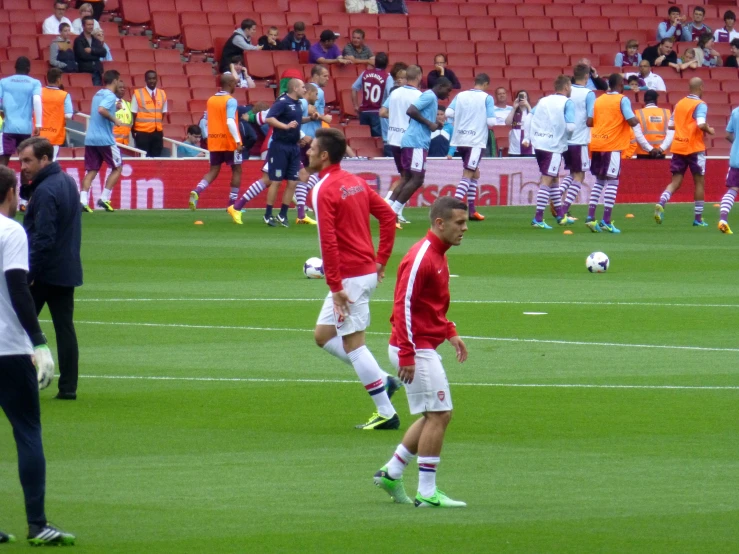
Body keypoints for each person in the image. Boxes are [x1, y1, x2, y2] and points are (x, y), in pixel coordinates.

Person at [373, 195, 468, 508]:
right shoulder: (422, 257)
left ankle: (392, 470)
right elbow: (402, 306)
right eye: (459, 222)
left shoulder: (439, 252)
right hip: (414, 348)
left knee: (433, 414)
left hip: (420, 345)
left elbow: (431, 305)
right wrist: (407, 354)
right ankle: (427, 492)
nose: (464, 228)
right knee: (440, 414)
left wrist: (449, 331)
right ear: (439, 223)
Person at [0, 164, 76, 546]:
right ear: (11, 194)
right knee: (27, 432)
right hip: (8, 349)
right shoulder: (11, 231)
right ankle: (37, 524)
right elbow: (18, 288)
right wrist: (39, 342)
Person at [308, 127, 401, 430]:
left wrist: (335, 287)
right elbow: (388, 216)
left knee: (353, 344)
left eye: (312, 148)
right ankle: (382, 379)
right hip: (363, 272)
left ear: (324, 155)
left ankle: (386, 412)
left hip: (349, 279)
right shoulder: (356, 182)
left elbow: (328, 242)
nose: (307, 152)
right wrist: (381, 260)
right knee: (323, 335)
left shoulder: (323, 189)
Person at [19, 137, 82, 401]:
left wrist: (29, 274)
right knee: (64, 328)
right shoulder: (67, 182)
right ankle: (68, 387)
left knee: (18, 325)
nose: (22, 166)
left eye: (27, 161)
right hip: (66, 268)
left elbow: (43, 238)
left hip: (43, 272)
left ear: (45, 160)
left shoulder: (45, 191)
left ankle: (17, 381)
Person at [586, 74, 653, 234]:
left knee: (599, 181)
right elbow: (631, 120)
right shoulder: (622, 99)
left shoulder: (598, 99)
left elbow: (589, 121)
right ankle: (606, 221)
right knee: (613, 181)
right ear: (621, 86)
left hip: (596, 143)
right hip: (612, 145)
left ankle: (590, 217)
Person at [388, 78, 452, 221]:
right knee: (417, 179)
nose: (448, 95)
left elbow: (416, 117)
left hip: (413, 140)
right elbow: (411, 111)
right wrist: (430, 124)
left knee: (407, 178)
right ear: (440, 86)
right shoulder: (429, 96)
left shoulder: (431, 98)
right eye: (447, 90)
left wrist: (435, 125)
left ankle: (389, 210)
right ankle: (394, 212)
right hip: (416, 142)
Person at [654, 78, 714, 227]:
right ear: (701, 87)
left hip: (678, 147)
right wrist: (709, 129)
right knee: (699, 182)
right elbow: (700, 124)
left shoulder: (680, 103)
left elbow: (672, 125)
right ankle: (698, 219)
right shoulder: (700, 104)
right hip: (694, 148)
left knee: (675, 182)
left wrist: (684, 126)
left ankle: (662, 201)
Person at [522, 75, 577, 229]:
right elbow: (571, 126)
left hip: (539, 144)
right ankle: (538, 218)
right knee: (547, 179)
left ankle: (560, 215)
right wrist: (567, 138)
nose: (571, 89)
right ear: (566, 87)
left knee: (554, 179)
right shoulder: (567, 102)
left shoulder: (543, 100)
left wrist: (527, 137)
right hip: (553, 146)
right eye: (570, 86)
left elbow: (528, 119)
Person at [189, 74, 243, 210]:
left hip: (215, 140)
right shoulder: (230, 100)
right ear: (230, 83)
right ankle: (232, 205)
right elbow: (230, 121)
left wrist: (208, 137)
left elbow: (203, 121)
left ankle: (197, 191)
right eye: (235, 83)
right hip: (229, 141)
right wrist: (237, 141)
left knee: (213, 170)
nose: (236, 85)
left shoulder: (211, 100)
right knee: (237, 170)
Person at [446, 73, 495, 222]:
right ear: (486, 84)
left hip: (461, 139)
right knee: (468, 173)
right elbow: (491, 122)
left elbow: (448, 112)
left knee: (475, 173)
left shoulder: (460, 95)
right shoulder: (487, 98)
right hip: (475, 141)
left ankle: (472, 210)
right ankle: (452, 209)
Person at [260, 78, 306, 227]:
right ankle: (268, 214)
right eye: (303, 87)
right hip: (280, 146)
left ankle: (283, 214)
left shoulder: (297, 104)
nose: (305, 89)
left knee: (293, 181)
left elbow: (297, 120)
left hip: (294, 147)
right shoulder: (283, 102)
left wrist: (311, 118)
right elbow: (269, 118)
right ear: (294, 88)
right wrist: (285, 127)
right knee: (277, 181)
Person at [380, 64, 421, 226]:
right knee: (411, 178)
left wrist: (396, 115)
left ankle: (394, 210)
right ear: (418, 77)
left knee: (405, 177)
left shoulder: (395, 93)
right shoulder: (419, 95)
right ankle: (389, 208)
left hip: (393, 138)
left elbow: (382, 112)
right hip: (408, 140)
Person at [80, 70, 125, 212]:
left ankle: (82, 201)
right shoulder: (111, 96)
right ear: (115, 80)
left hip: (90, 138)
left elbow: (100, 110)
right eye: (119, 81)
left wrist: (114, 109)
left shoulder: (97, 94)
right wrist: (115, 119)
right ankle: (104, 198)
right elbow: (101, 110)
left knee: (92, 170)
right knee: (117, 167)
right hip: (104, 139)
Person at [558, 64, 596, 219]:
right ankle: (563, 208)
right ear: (587, 76)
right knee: (580, 176)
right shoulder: (588, 93)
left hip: (565, 141)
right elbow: (590, 119)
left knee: (573, 173)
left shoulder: (567, 92)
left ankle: (557, 196)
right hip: (579, 141)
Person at [0, 57, 43, 171]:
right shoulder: (34, 83)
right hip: (26, 129)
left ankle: (1, 185)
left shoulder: (3, 82)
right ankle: (25, 187)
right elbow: (37, 100)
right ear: (28, 69)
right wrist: (38, 124)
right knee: (25, 160)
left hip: (8, 128)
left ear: (15, 68)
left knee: (4, 158)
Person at [622, 90, 673, 159]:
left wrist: (650, 149)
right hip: (661, 153)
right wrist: (661, 149)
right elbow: (670, 134)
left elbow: (638, 134)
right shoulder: (666, 113)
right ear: (656, 99)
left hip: (643, 153)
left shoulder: (638, 113)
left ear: (644, 100)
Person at [352, 52, 392, 138]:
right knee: (378, 141)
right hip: (378, 112)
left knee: (365, 141)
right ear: (387, 64)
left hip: (364, 112)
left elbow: (354, 88)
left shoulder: (365, 73)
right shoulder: (387, 77)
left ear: (375, 63)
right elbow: (390, 94)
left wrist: (355, 105)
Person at [130, 70, 167, 158]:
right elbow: (134, 113)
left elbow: (163, 112)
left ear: (157, 80)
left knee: (157, 157)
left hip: (157, 132)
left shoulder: (162, 94)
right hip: (142, 133)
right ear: (145, 80)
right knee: (143, 158)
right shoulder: (138, 94)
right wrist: (135, 130)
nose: (152, 81)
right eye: (149, 79)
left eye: (154, 78)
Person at [39, 69, 74, 161]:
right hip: (55, 135)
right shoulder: (64, 95)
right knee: (51, 161)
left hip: (39, 134)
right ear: (59, 80)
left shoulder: (39, 92)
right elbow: (69, 115)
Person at [718, 105, 739, 234]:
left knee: (733, 189)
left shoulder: (736, 111)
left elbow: (727, 134)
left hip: (736, 158)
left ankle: (723, 219)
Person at [73, 16, 106, 85]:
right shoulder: (79, 40)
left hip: (96, 71)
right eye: (88, 25)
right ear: (83, 25)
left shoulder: (95, 40)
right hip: (84, 71)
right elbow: (83, 56)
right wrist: (97, 56)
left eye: (92, 24)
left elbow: (103, 52)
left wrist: (92, 51)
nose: (91, 27)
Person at [504, 90, 533, 157]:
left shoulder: (531, 110)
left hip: (529, 146)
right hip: (515, 147)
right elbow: (507, 123)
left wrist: (528, 106)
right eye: (520, 96)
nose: (522, 98)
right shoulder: (513, 110)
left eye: (525, 97)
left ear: (527, 98)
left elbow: (536, 122)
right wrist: (514, 108)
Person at [112, 79, 132, 146]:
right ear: (114, 89)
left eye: (124, 88)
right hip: (112, 142)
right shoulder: (109, 103)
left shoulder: (128, 105)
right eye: (120, 87)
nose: (123, 89)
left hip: (125, 143)